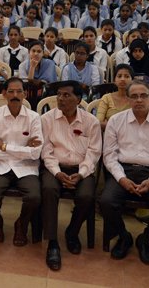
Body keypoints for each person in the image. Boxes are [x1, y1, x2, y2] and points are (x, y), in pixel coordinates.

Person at [100, 80, 149, 265]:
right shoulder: (116, 121)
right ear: (128, 99)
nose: (139, 100)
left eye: (143, 95)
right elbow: (109, 156)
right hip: (123, 170)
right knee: (106, 202)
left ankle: (145, 239)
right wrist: (121, 178)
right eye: (134, 96)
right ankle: (123, 236)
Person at [40, 81, 102, 270]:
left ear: (79, 99)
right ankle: (52, 242)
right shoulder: (47, 119)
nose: (61, 99)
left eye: (66, 95)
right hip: (54, 167)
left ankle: (72, 232)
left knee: (86, 196)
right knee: (49, 189)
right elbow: (46, 151)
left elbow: (94, 152)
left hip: (81, 168)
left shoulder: (91, 122)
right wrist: (57, 173)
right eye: (59, 94)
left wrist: (81, 174)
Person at [0, 77, 43, 246]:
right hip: (0, 166)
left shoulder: (33, 118)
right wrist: (24, 150)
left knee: (34, 197)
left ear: (25, 94)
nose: (15, 95)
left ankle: (22, 225)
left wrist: (4, 147)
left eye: (19, 91)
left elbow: (36, 152)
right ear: (4, 94)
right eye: (11, 91)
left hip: (26, 168)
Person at [97, 64, 134, 129]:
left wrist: (109, 125)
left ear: (132, 81)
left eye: (127, 76)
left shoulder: (136, 99)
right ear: (114, 81)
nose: (122, 79)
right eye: (119, 76)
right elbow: (98, 123)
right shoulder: (107, 98)